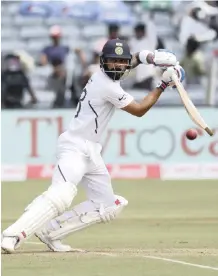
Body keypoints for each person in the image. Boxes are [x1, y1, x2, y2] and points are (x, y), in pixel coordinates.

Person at [1, 39, 185, 253]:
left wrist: (150, 57)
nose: (117, 66)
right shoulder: (106, 85)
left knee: (110, 205)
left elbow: (130, 61)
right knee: (62, 194)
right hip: (74, 147)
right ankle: (12, 235)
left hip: (91, 152)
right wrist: (162, 85)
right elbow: (139, 109)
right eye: (112, 62)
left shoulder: (109, 75)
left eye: (120, 62)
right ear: (102, 62)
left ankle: (50, 232)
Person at [129, 23, 157, 90]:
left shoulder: (149, 42)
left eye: (138, 32)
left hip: (148, 77)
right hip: (138, 79)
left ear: (143, 32)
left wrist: (150, 19)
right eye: (136, 32)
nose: (137, 33)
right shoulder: (134, 43)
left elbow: (152, 30)